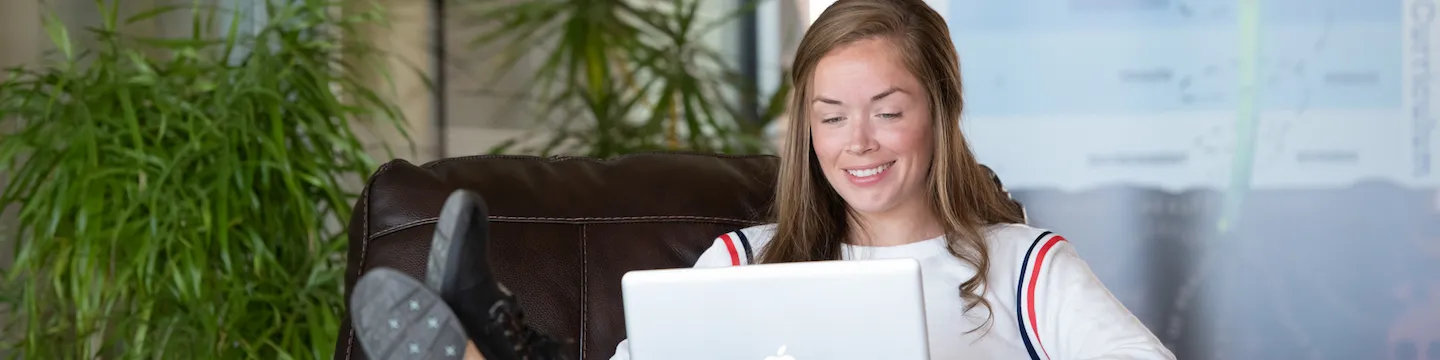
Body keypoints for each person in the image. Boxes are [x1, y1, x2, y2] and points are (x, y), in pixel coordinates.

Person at [349, 0, 1174, 359]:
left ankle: (493, 344)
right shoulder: (745, 265)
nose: (859, 143)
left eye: (888, 110)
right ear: (805, 128)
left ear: (943, 111)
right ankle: (493, 344)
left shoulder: (1025, 269)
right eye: (831, 115)